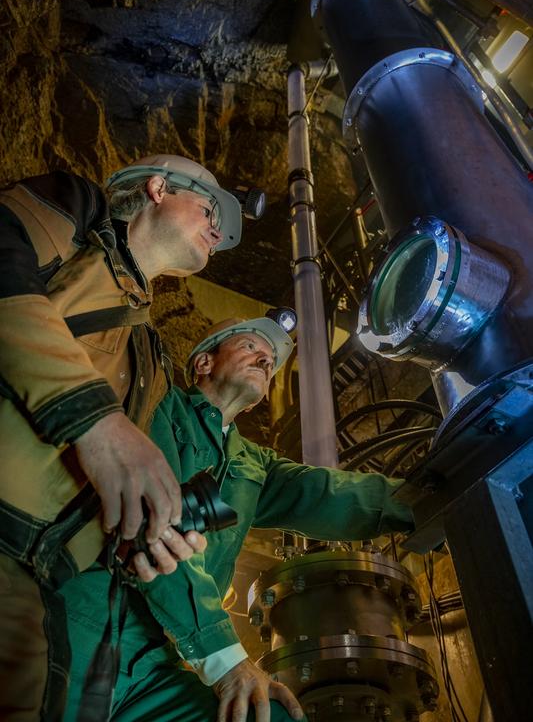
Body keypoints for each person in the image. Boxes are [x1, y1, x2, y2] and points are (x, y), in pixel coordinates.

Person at [61, 316, 415, 722]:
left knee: (270, 717)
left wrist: (425, 501)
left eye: (271, 362)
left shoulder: (252, 464)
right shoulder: (156, 405)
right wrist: (227, 661)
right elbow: (160, 531)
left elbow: (326, 494)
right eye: (251, 346)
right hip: (85, 624)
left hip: (158, 660)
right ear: (204, 363)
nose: (265, 360)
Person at [0, 154, 243, 720]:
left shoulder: (150, 361)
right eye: (210, 210)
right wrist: (95, 420)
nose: (219, 231)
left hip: (32, 593)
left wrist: (142, 539)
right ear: (158, 189)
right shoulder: (77, 214)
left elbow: (99, 480)